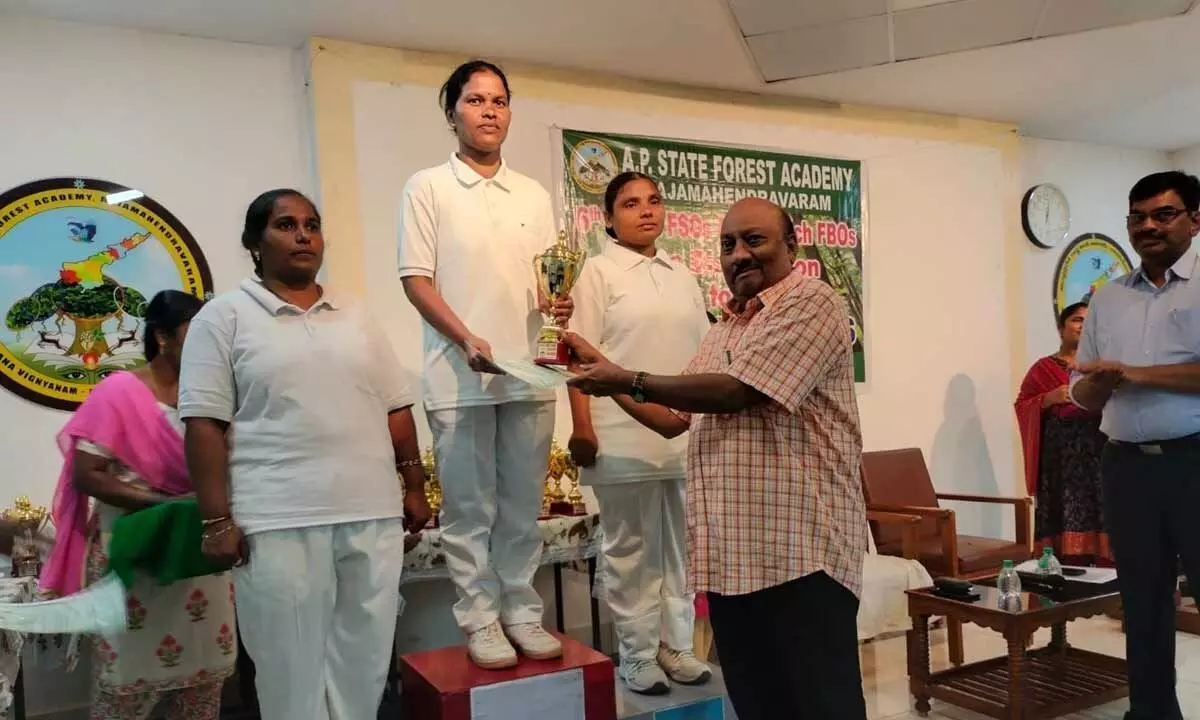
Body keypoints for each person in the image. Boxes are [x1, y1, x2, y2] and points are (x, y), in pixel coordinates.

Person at [565, 197, 869, 720]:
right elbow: (673, 418)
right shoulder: (725, 328)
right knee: (758, 705)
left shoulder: (812, 302)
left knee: (821, 707)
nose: (738, 255)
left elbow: (735, 391)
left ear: (791, 247)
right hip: (734, 562)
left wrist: (624, 377)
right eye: (728, 244)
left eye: (755, 240)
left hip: (802, 557)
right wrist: (602, 374)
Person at [178, 189, 431, 720]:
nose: (303, 236)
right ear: (254, 242)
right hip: (279, 518)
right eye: (286, 225)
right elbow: (203, 424)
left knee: (363, 664)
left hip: (371, 512)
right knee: (289, 669)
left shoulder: (356, 315)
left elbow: (395, 408)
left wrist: (413, 485)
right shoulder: (223, 318)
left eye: (312, 225)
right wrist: (217, 519)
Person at [396, 59, 571, 669]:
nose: (490, 111)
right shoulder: (428, 187)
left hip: (530, 371)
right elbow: (415, 280)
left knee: (523, 504)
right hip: (458, 372)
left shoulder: (533, 193)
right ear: (453, 113)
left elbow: (547, 276)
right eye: (475, 100)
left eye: (499, 100)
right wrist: (466, 336)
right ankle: (480, 618)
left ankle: (522, 612)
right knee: (470, 509)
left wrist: (557, 303)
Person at [41, 290, 236, 720]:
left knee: (202, 690)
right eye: (198, 334)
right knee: (123, 693)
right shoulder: (119, 392)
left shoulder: (213, 393)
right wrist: (163, 504)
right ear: (162, 336)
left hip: (198, 557)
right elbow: (87, 475)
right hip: (133, 556)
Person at [567, 172, 712, 694]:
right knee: (629, 551)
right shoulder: (597, 274)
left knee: (679, 550)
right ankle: (636, 654)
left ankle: (675, 647)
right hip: (620, 436)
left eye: (654, 201)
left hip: (683, 436)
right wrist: (583, 427)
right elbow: (575, 356)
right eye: (630, 204)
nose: (646, 211)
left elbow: (702, 357)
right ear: (608, 217)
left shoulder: (683, 274)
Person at [1071, 170, 1200, 720]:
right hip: (1125, 467)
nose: (1148, 225)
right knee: (1143, 606)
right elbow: (1082, 391)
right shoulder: (1108, 296)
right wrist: (1096, 385)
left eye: (1163, 214)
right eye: (1137, 216)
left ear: (1195, 219)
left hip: (1194, 462)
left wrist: (1135, 373)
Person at [1014, 302, 1110, 566]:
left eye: (1089, 322)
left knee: (1104, 505)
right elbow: (1023, 405)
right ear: (1061, 328)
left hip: (1100, 447)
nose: (1083, 326)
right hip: (1060, 456)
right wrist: (1048, 398)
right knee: (1065, 508)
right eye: (1077, 320)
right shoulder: (1042, 369)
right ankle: (1066, 578)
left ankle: (1108, 581)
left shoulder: (1103, 367)